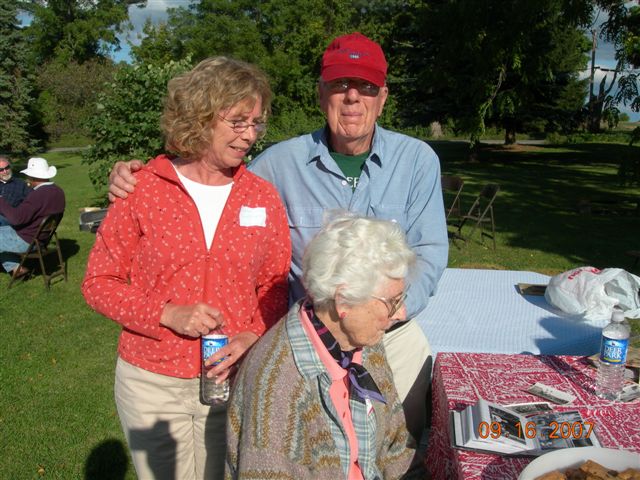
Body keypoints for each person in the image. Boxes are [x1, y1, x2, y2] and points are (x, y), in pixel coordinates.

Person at [107, 32, 448, 445]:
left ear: (383, 97)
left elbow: (430, 249)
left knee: (401, 451)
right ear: (321, 94)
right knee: (315, 454)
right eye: (340, 84)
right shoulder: (278, 165)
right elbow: (207, 174)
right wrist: (138, 175)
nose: (353, 97)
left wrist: (392, 311)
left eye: (366, 87)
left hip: (392, 335)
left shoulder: (416, 160)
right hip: (312, 346)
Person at [82, 56, 291, 480]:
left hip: (232, 379)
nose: (250, 135)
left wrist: (253, 332)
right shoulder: (142, 188)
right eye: (237, 122)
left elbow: (275, 282)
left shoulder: (262, 197)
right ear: (200, 117)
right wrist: (166, 313)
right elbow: (98, 283)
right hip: (151, 384)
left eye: (256, 123)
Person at [226, 212, 420, 479]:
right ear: (343, 301)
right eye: (392, 302)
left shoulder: (362, 342)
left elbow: (396, 449)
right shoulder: (279, 387)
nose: (401, 313)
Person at [0, 157, 64, 277]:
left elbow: (16, 219)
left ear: (33, 177)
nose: (27, 179)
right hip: (40, 237)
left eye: (28, 176)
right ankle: (16, 268)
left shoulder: (38, 195)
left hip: (26, 240)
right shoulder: (57, 191)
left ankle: (15, 267)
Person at [0, 156, 31, 226]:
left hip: (10, 219)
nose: (5, 171)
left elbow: (31, 204)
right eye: (1, 170)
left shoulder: (21, 184)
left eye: (7, 168)